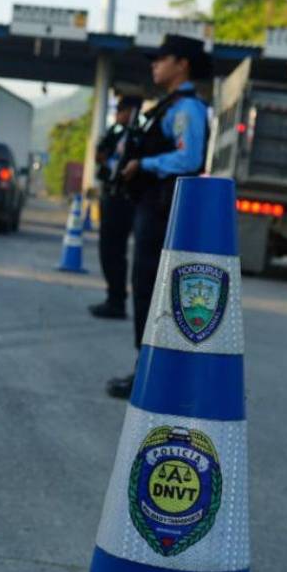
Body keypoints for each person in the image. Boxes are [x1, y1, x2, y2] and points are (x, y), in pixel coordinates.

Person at [106, 34, 213, 399]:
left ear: (182, 63)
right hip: (154, 205)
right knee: (148, 287)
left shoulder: (186, 110)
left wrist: (144, 163)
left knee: (152, 288)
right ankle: (148, 367)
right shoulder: (170, 106)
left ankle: (151, 374)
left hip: (163, 207)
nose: (154, 64)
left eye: (161, 58)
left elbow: (189, 158)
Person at [88, 94, 142, 320]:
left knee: (114, 252)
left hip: (123, 199)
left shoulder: (138, 136)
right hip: (111, 194)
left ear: (131, 112)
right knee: (108, 251)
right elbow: (100, 156)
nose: (118, 115)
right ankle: (113, 297)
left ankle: (117, 301)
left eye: (122, 110)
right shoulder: (115, 134)